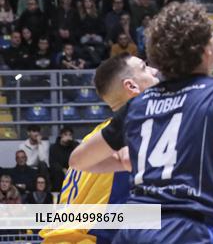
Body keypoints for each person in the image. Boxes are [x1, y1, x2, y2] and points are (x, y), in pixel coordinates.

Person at [69, 2, 213, 244]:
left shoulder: (139, 105)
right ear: (207, 49)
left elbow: (78, 160)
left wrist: (124, 162)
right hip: (189, 232)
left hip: (134, 233)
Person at [40, 53, 159, 243]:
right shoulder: (133, 126)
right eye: (144, 67)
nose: (154, 70)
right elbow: (128, 158)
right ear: (131, 86)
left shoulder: (99, 135)